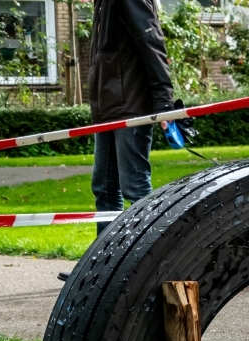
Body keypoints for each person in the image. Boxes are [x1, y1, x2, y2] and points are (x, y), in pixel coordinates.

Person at [88, 0, 174, 235]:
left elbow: (152, 42)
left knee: (135, 187)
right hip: (106, 107)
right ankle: (105, 257)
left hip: (131, 105)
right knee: (104, 189)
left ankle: (149, 254)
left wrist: (164, 102)